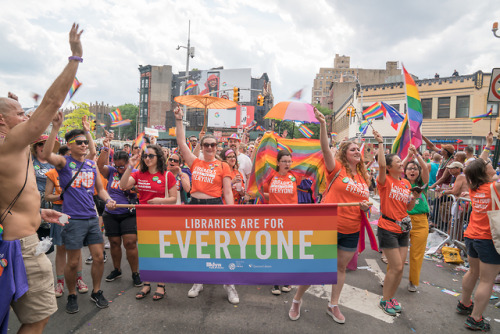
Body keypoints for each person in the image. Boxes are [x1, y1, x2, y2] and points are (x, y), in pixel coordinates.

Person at [0, 24, 82, 333]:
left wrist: (37, 212)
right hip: (20, 249)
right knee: (38, 318)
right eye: (20, 113)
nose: (26, 118)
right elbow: (49, 103)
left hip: (12, 240)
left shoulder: (12, 147)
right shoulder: (8, 145)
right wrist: (75, 57)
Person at [288, 108, 371, 324]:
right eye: (352, 149)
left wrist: (365, 208)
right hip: (328, 225)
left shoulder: (363, 178)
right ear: (344, 153)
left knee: (339, 268)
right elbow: (325, 149)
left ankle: (333, 304)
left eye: (357, 149)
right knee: (315, 265)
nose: (356, 151)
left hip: (351, 229)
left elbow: (366, 205)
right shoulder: (337, 169)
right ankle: (297, 299)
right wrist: (323, 124)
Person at [42, 112, 117, 314]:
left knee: (99, 257)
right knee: (73, 261)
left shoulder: (91, 164)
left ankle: (96, 291)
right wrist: (56, 128)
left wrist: (108, 200)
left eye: (85, 142)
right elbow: (47, 155)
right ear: (70, 145)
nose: (84, 145)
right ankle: (72, 294)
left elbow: (100, 189)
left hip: (92, 218)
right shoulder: (64, 163)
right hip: (72, 220)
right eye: (79, 142)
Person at [173, 106, 239, 304]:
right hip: (195, 206)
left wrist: (232, 213)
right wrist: (178, 120)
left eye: (213, 145)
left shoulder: (223, 165)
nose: (210, 148)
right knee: (198, 245)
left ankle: (230, 285)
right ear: (201, 147)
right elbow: (180, 143)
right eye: (206, 145)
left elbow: (227, 192)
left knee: (221, 246)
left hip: (216, 206)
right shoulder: (195, 162)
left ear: (217, 147)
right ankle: (198, 280)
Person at [120, 144, 177, 301]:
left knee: (160, 251)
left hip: (161, 218)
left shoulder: (167, 175)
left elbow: (174, 199)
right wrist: (130, 166)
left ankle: (161, 284)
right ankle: (146, 283)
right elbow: (123, 185)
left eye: (151, 155)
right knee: (145, 251)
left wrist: (160, 200)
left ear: (159, 157)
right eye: (145, 156)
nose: (147, 158)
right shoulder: (138, 174)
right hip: (143, 217)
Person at [458, 133, 500, 332]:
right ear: (485, 172)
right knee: (486, 280)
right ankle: (476, 319)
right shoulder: (495, 187)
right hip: (488, 239)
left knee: (473, 272)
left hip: (471, 236)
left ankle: (464, 303)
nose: (491, 163)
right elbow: (477, 165)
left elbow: (474, 167)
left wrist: (489, 146)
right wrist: (488, 149)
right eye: (489, 163)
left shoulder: (474, 187)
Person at [375, 130, 418, 316]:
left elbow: (408, 208)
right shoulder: (385, 181)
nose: (403, 164)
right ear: (390, 167)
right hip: (388, 228)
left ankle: (391, 297)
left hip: (404, 229)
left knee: (399, 268)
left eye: (402, 162)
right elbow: (382, 165)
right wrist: (381, 143)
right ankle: (384, 300)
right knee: (397, 266)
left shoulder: (406, 184)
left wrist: (415, 197)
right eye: (399, 163)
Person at [97, 136, 143, 288]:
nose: (119, 169)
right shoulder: (111, 171)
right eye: (117, 166)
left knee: (130, 243)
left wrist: (133, 188)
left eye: (122, 166)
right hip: (111, 214)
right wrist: (105, 149)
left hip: (129, 212)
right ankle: (117, 270)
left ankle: (135, 273)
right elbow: (99, 166)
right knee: (114, 243)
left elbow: (140, 190)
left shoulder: (135, 172)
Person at [45, 145, 88, 298]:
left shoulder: (79, 170)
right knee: (61, 248)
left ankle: (79, 279)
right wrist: (60, 195)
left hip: (76, 212)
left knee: (76, 248)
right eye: (68, 157)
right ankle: (60, 282)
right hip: (60, 212)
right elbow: (47, 196)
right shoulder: (52, 173)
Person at [403, 145, 430, 293]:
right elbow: (397, 167)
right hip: (402, 221)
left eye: (415, 169)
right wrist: (408, 156)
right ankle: (392, 278)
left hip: (420, 223)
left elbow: (425, 169)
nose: (412, 171)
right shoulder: (400, 183)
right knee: (398, 253)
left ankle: (413, 281)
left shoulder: (422, 185)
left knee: (416, 254)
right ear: (404, 171)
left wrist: (417, 154)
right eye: (409, 168)